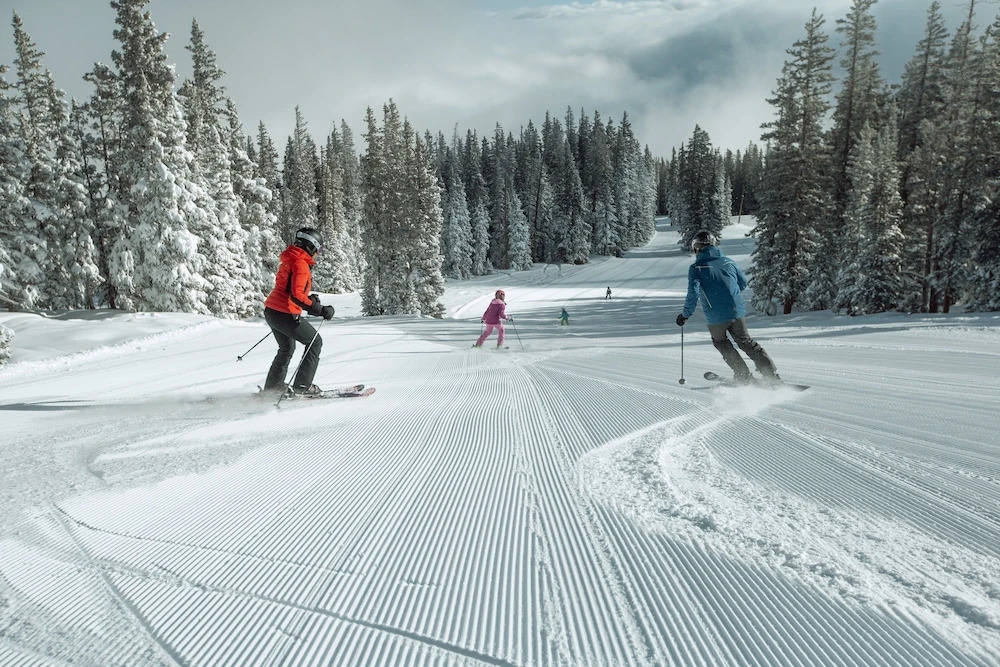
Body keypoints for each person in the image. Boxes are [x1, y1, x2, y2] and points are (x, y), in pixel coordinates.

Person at [676, 229, 780, 385]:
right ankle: (771, 375)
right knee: (746, 342)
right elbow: (742, 283)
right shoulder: (728, 262)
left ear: (697, 247)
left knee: (721, 342)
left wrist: (685, 315)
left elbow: (693, 293)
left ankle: (743, 376)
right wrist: (730, 296)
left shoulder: (696, 268)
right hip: (736, 311)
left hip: (716, 316)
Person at [262, 227, 335, 395]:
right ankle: (303, 386)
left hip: (272, 311)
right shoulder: (300, 264)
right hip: (285, 313)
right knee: (315, 342)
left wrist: (309, 299)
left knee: (286, 348)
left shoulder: (290, 260)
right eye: (318, 250)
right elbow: (296, 296)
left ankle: (273, 388)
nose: (317, 254)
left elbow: (290, 290)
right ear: (311, 247)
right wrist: (320, 310)